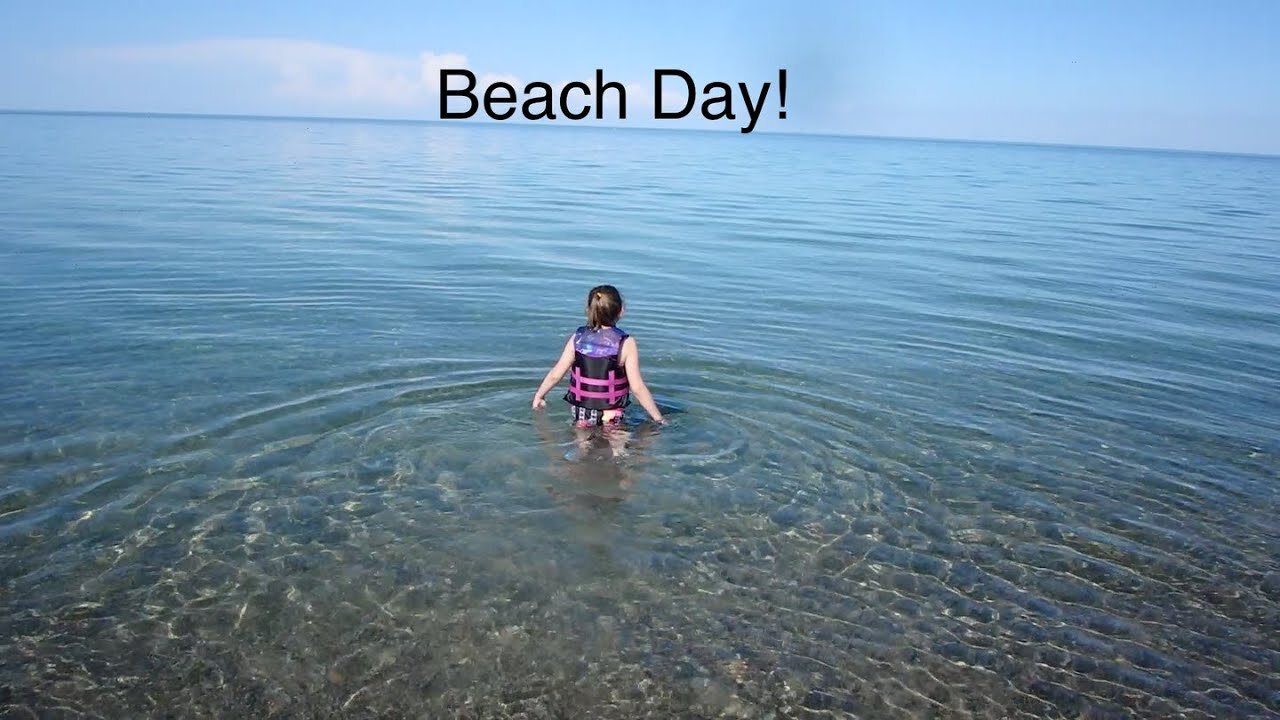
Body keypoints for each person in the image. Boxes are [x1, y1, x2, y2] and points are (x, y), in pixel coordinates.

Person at [532, 285, 666, 430]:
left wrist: (539, 395)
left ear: (589, 310)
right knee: (618, 449)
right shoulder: (626, 343)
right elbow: (637, 387)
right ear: (621, 311)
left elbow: (555, 374)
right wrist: (658, 418)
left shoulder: (577, 338)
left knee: (583, 446)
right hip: (611, 412)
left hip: (581, 411)